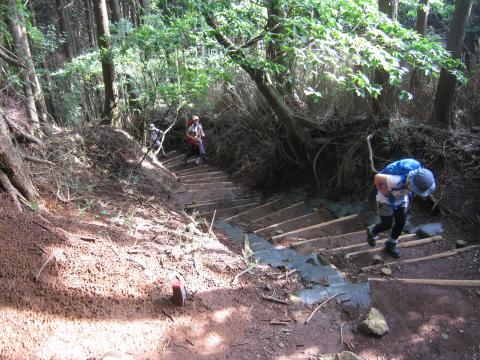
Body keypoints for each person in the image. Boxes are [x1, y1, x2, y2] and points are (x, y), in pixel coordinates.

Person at [366, 161, 436, 258]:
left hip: (401, 198)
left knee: (401, 223)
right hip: (385, 199)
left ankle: (391, 243)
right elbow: (377, 177)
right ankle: (372, 232)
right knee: (387, 224)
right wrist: (383, 191)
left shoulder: (416, 177)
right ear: (412, 185)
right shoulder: (395, 180)